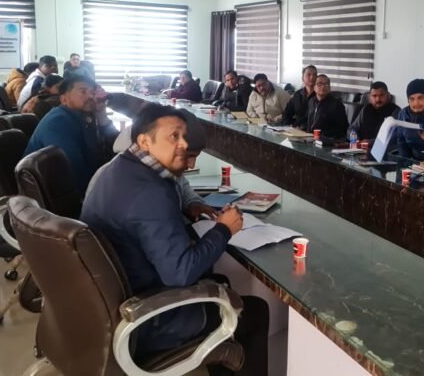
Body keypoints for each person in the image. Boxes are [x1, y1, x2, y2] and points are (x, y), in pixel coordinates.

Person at [80, 103, 269, 374]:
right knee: (255, 312)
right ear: (144, 141)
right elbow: (180, 274)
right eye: (173, 136)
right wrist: (224, 229)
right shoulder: (150, 192)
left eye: (184, 136)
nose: (183, 144)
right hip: (147, 319)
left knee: (219, 282)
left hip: (113, 304)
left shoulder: (116, 169)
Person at [90, 109, 218, 221]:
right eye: (187, 156)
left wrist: (193, 203)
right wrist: (222, 230)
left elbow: (182, 186)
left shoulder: (157, 166)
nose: (192, 165)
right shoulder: (136, 183)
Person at [24, 74, 117, 196]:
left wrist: (102, 116)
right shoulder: (58, 122)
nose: (90, 96)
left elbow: (112, 148)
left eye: (92, 92)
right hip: (54, 198)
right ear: (64, 99)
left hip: (72, 189)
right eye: (83, 91)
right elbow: (74, 171)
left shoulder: (85, 117)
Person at [305, 74, 348, 139]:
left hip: (326, 139)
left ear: (329, 88)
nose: (323, 86)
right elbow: (308, 121)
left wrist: (322, 136)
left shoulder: (337, 105)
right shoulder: (311, 101)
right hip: (309, 137)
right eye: (320, 84)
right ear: (314, 87)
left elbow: (342, 129)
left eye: (326, 84)